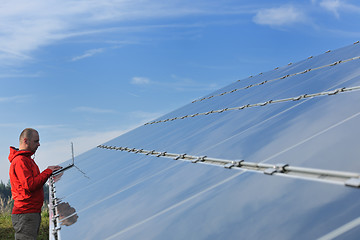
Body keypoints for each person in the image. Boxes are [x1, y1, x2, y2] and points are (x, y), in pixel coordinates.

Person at [8, 128, 62, 240]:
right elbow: (30, 185)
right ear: (26, 141)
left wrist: (48, 172)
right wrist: (48, 172)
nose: (39, 144)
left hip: (30, 212)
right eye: (36, 141)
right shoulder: (20, 161)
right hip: (25, 213)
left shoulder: (26, 159)